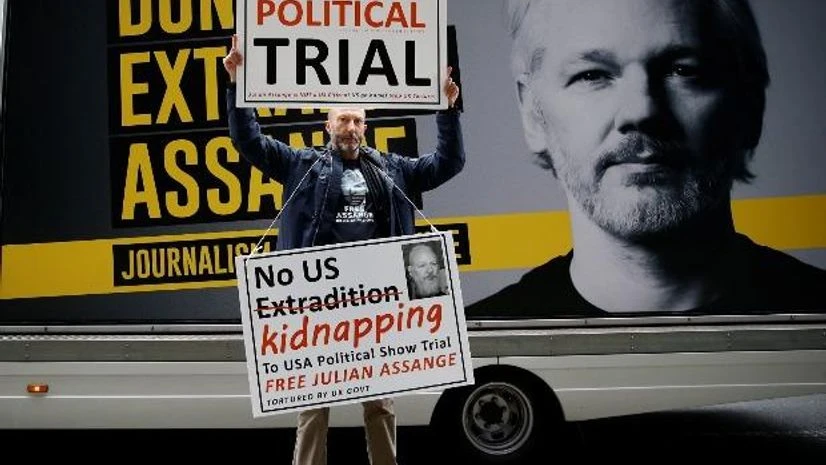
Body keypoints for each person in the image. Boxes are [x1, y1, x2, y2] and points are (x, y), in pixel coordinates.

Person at [467, 0, 825, 318]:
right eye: (592, 75)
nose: (641, 111)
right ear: (532, 113)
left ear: (750, 107)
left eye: (684, 70)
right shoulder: (470, 360)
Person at [223, 34, 464, 465]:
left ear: (365, 127)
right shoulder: (300, 164)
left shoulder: (392, 168)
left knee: (381, 403)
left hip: (378, 301)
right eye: (343, 120)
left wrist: (447, 110)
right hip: (319, 304)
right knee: (314, 404)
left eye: (357, 120)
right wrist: (238, 84)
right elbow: (250, 142)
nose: (350, 128)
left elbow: (448, 163)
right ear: (327, 126)